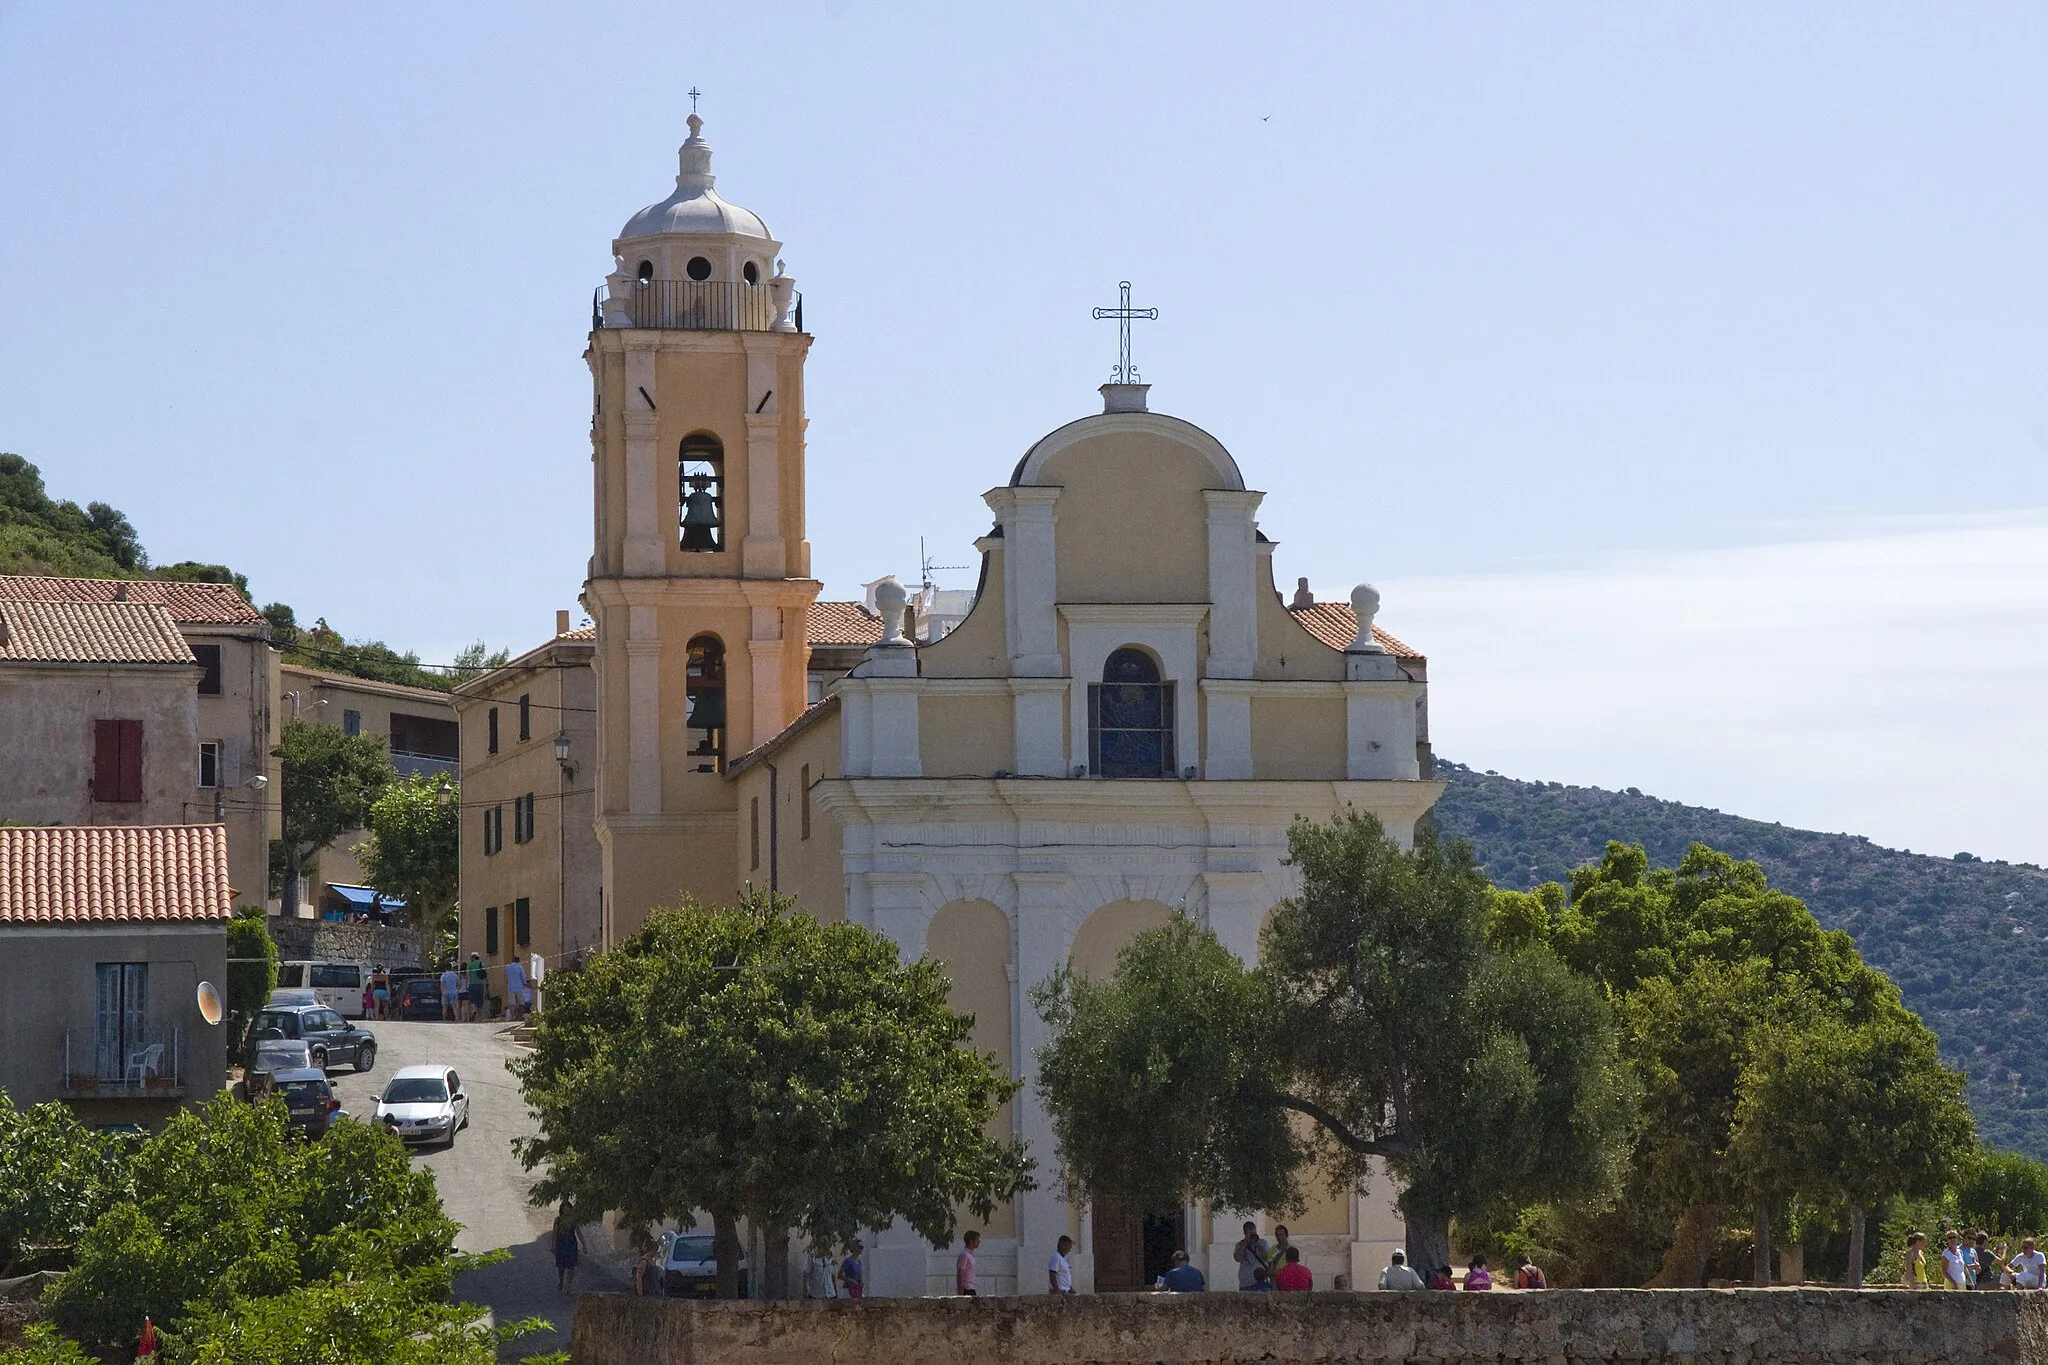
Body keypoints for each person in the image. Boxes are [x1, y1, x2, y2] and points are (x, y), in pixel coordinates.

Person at [1233, 1220, 1270, 1291]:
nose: (1253, 1235)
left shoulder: (1262, 1243)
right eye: (1251, 1233)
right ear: (1245, 1233)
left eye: (1254, 1233)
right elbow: (1238, 1259)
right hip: (1245, 1283)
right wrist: (1245, 1243)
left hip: (1260, 1282)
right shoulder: (1240, 1244)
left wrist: (1258, 1245)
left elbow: (1267, 1258)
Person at [554, 1218, 583, 1295]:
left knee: (571, 1266)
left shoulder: (573, 1220)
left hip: (571, 1244)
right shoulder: (558, 1220)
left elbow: (578, 1232)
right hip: (560, 1244)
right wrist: (553, 1246)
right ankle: (561, 1281)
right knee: (561, 1267)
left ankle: (569, 1285)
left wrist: (584, 1244)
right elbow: (555, 1233)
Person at [505, 955, 531, 1021]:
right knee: (521, 1003)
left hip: (510, 987)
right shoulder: (520, 967)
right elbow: (523, 977)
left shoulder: (508, 967)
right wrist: (525, 984)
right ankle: (520, 1016)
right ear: (518, 961)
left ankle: (513, 1016)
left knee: (512, 1003)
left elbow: (506, 975)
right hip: (519, 987)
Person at [955, 1229, 980, 1295]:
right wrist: (960, 1290)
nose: (979, 1241)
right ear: (971, 1241)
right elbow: (960, 1273)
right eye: (977, 1240)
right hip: (966, 1288)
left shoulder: (971, 1255)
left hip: (971, 1287)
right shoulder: (964, 1255)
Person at [464, 952, 487, 1022]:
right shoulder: (482, 964)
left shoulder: (470, 965)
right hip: (480, 984)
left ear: (473, 958)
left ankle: (474, 1010)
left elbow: (467, 975)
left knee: (473, 999)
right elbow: (485, 975)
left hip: (472, 984)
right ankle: (480, 1017)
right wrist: (487, 984)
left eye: (471, 957)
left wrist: (466, 985)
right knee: (480, 1000)